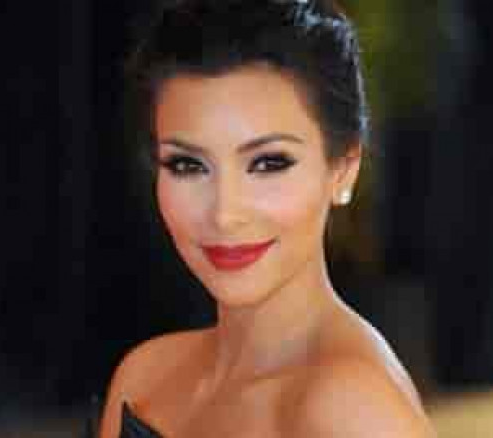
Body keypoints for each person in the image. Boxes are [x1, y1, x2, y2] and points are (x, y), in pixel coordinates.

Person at [99, 0, 434, 436]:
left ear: (344, 168)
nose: (224, 214)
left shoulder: (355, 409)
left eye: (269, 163)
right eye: (188, 165)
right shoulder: (145, 375)